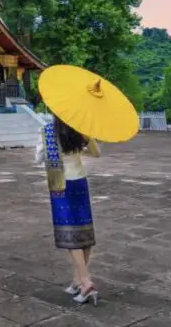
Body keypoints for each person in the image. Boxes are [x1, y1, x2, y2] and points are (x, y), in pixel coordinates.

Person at [35, 114, 101, 305]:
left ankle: (86, 281)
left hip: (61, 184)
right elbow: (96, 154)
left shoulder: (48, 131)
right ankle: (77, 280)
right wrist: (80, 150)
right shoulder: (81, 130)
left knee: (70, 234)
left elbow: (39, 157)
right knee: (83, 229)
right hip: (79, 181)